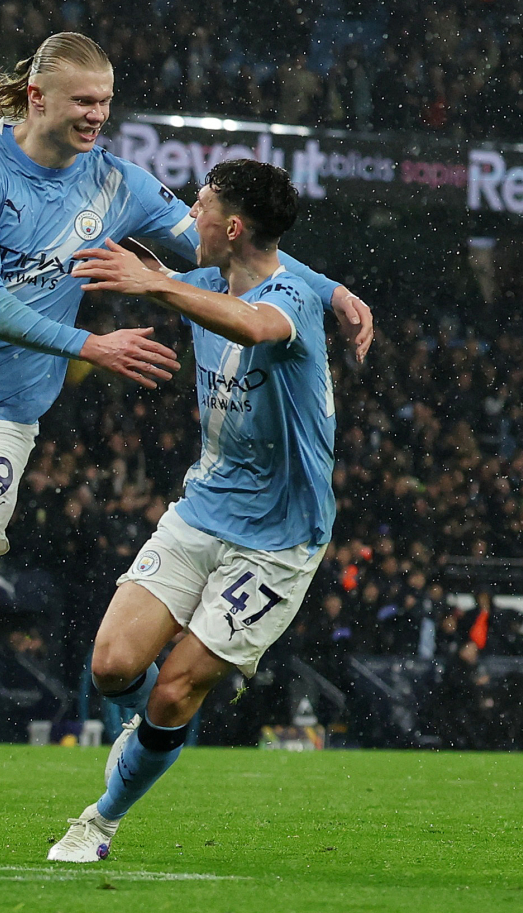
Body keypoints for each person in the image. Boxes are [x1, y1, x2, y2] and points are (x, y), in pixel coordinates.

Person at [0, 32, 371, 856]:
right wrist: (91, 348)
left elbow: (243, 253)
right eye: (83, 103)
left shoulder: (119, 183)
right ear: (38, 98)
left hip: (0, 418)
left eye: (106, 102)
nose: (97, 117)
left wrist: (329, 286)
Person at [44, 158, 336, 862]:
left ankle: (100, 821)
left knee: (175, 691)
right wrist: (156, 277)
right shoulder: (206, 276)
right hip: (203, 509)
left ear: (232, 227)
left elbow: (256, 327)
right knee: (112, 667)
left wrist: (157, 284)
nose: (189, 217)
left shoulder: (289, 296)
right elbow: (194, 276)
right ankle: (149, 731)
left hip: (279, 538)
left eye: (200, 206)